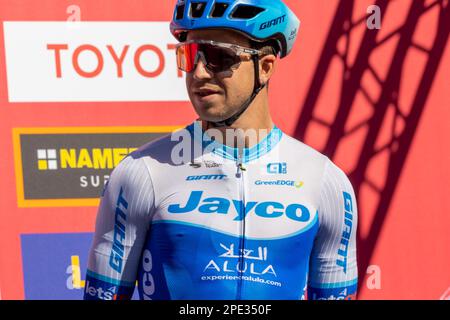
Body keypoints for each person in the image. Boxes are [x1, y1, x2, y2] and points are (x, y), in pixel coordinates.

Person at [84, 0, 358, 300]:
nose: (199, 72)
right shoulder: (142, 171)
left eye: (218, 57)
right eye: (189, 55)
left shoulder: (325, 181)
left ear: (265, 67)